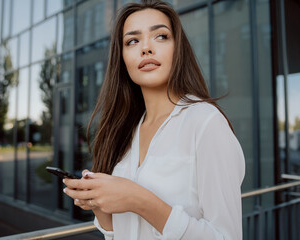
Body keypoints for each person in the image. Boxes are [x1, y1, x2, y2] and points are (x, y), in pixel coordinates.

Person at [63, 0, 245, 239]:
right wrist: (99, 203)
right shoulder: (127, 129)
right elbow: (120, 234)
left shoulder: (205, 123)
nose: (146, 48)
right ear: (123, 59)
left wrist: (139, 200)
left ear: (178, 48)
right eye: (132, 41)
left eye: (160, 36)